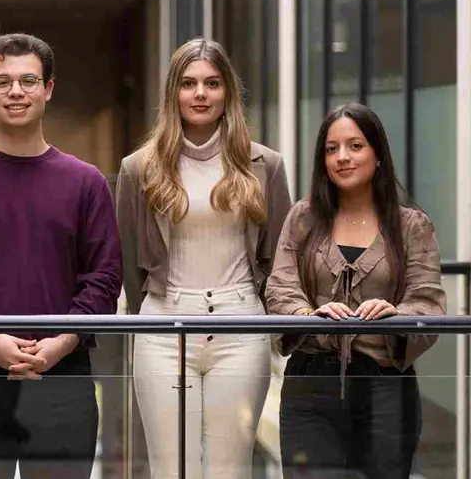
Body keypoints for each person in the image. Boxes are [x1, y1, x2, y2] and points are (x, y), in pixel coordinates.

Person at [0, 33, 123, 479]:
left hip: (63, 378)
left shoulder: (86, 183)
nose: (16, 92)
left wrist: (60, 343)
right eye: (3, 82)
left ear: (49, 88)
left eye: (29, 80)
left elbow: (105, 278)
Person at [116, 37, 292, 478]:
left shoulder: (265, 164)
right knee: (171, 469)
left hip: (242, 327)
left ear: (227, 93)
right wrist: (152, 312)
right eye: (189, 83)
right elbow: (128, 263)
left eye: (212, 84)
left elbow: (280, 258)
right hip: (163, 327)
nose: (200, 94)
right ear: (172, 92)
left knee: (230, 470)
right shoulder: (138, 168)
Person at [265, 102, 445, 478]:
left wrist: (397, 313)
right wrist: (306, 315)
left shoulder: (412, 226)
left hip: (385, 389)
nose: (342, 158)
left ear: (378, 154)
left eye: (355, 146)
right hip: (309, 387)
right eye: (332, 149)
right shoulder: (303, 216)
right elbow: (280, 288)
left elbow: (427, 302)